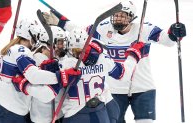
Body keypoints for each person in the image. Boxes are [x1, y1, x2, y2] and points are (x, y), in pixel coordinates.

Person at [44, 0, 187, 123]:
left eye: (122, 16)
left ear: (131, 17)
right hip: (116, 88)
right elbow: (81, 32)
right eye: (116, 15)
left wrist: (174, 33)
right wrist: (62, 22)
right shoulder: (104, 28)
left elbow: (166, 40)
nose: (118, 19)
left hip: (143, 87)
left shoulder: (143, 29)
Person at [13, 27, 149, 123]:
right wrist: (133, 56)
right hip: (101, 112)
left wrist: (25, 85)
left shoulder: (66, 64)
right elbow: (122, 74)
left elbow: (48, 90)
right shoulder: (101, 57)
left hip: (75, 115)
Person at [0, 18, 81, 123]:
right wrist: (61, 77)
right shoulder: (21, 50)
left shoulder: (13, 49)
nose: (37, 39)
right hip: (12, 109)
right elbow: (34, 76)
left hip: (8, 105)